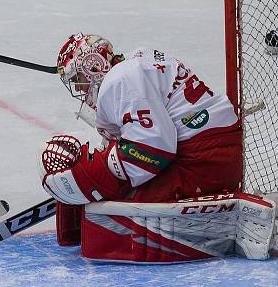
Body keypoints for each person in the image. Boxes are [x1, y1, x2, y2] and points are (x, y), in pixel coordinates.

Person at [38, 33, 256, 261]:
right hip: (215, 153)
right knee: (105, 193)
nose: (80, 89)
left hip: (202, 163)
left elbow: (153, 149)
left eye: (78, 79)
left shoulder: (120, 80)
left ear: (93, 66)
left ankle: (212, 224)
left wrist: (94, 178)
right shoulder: (137, 61)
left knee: (110, 210)